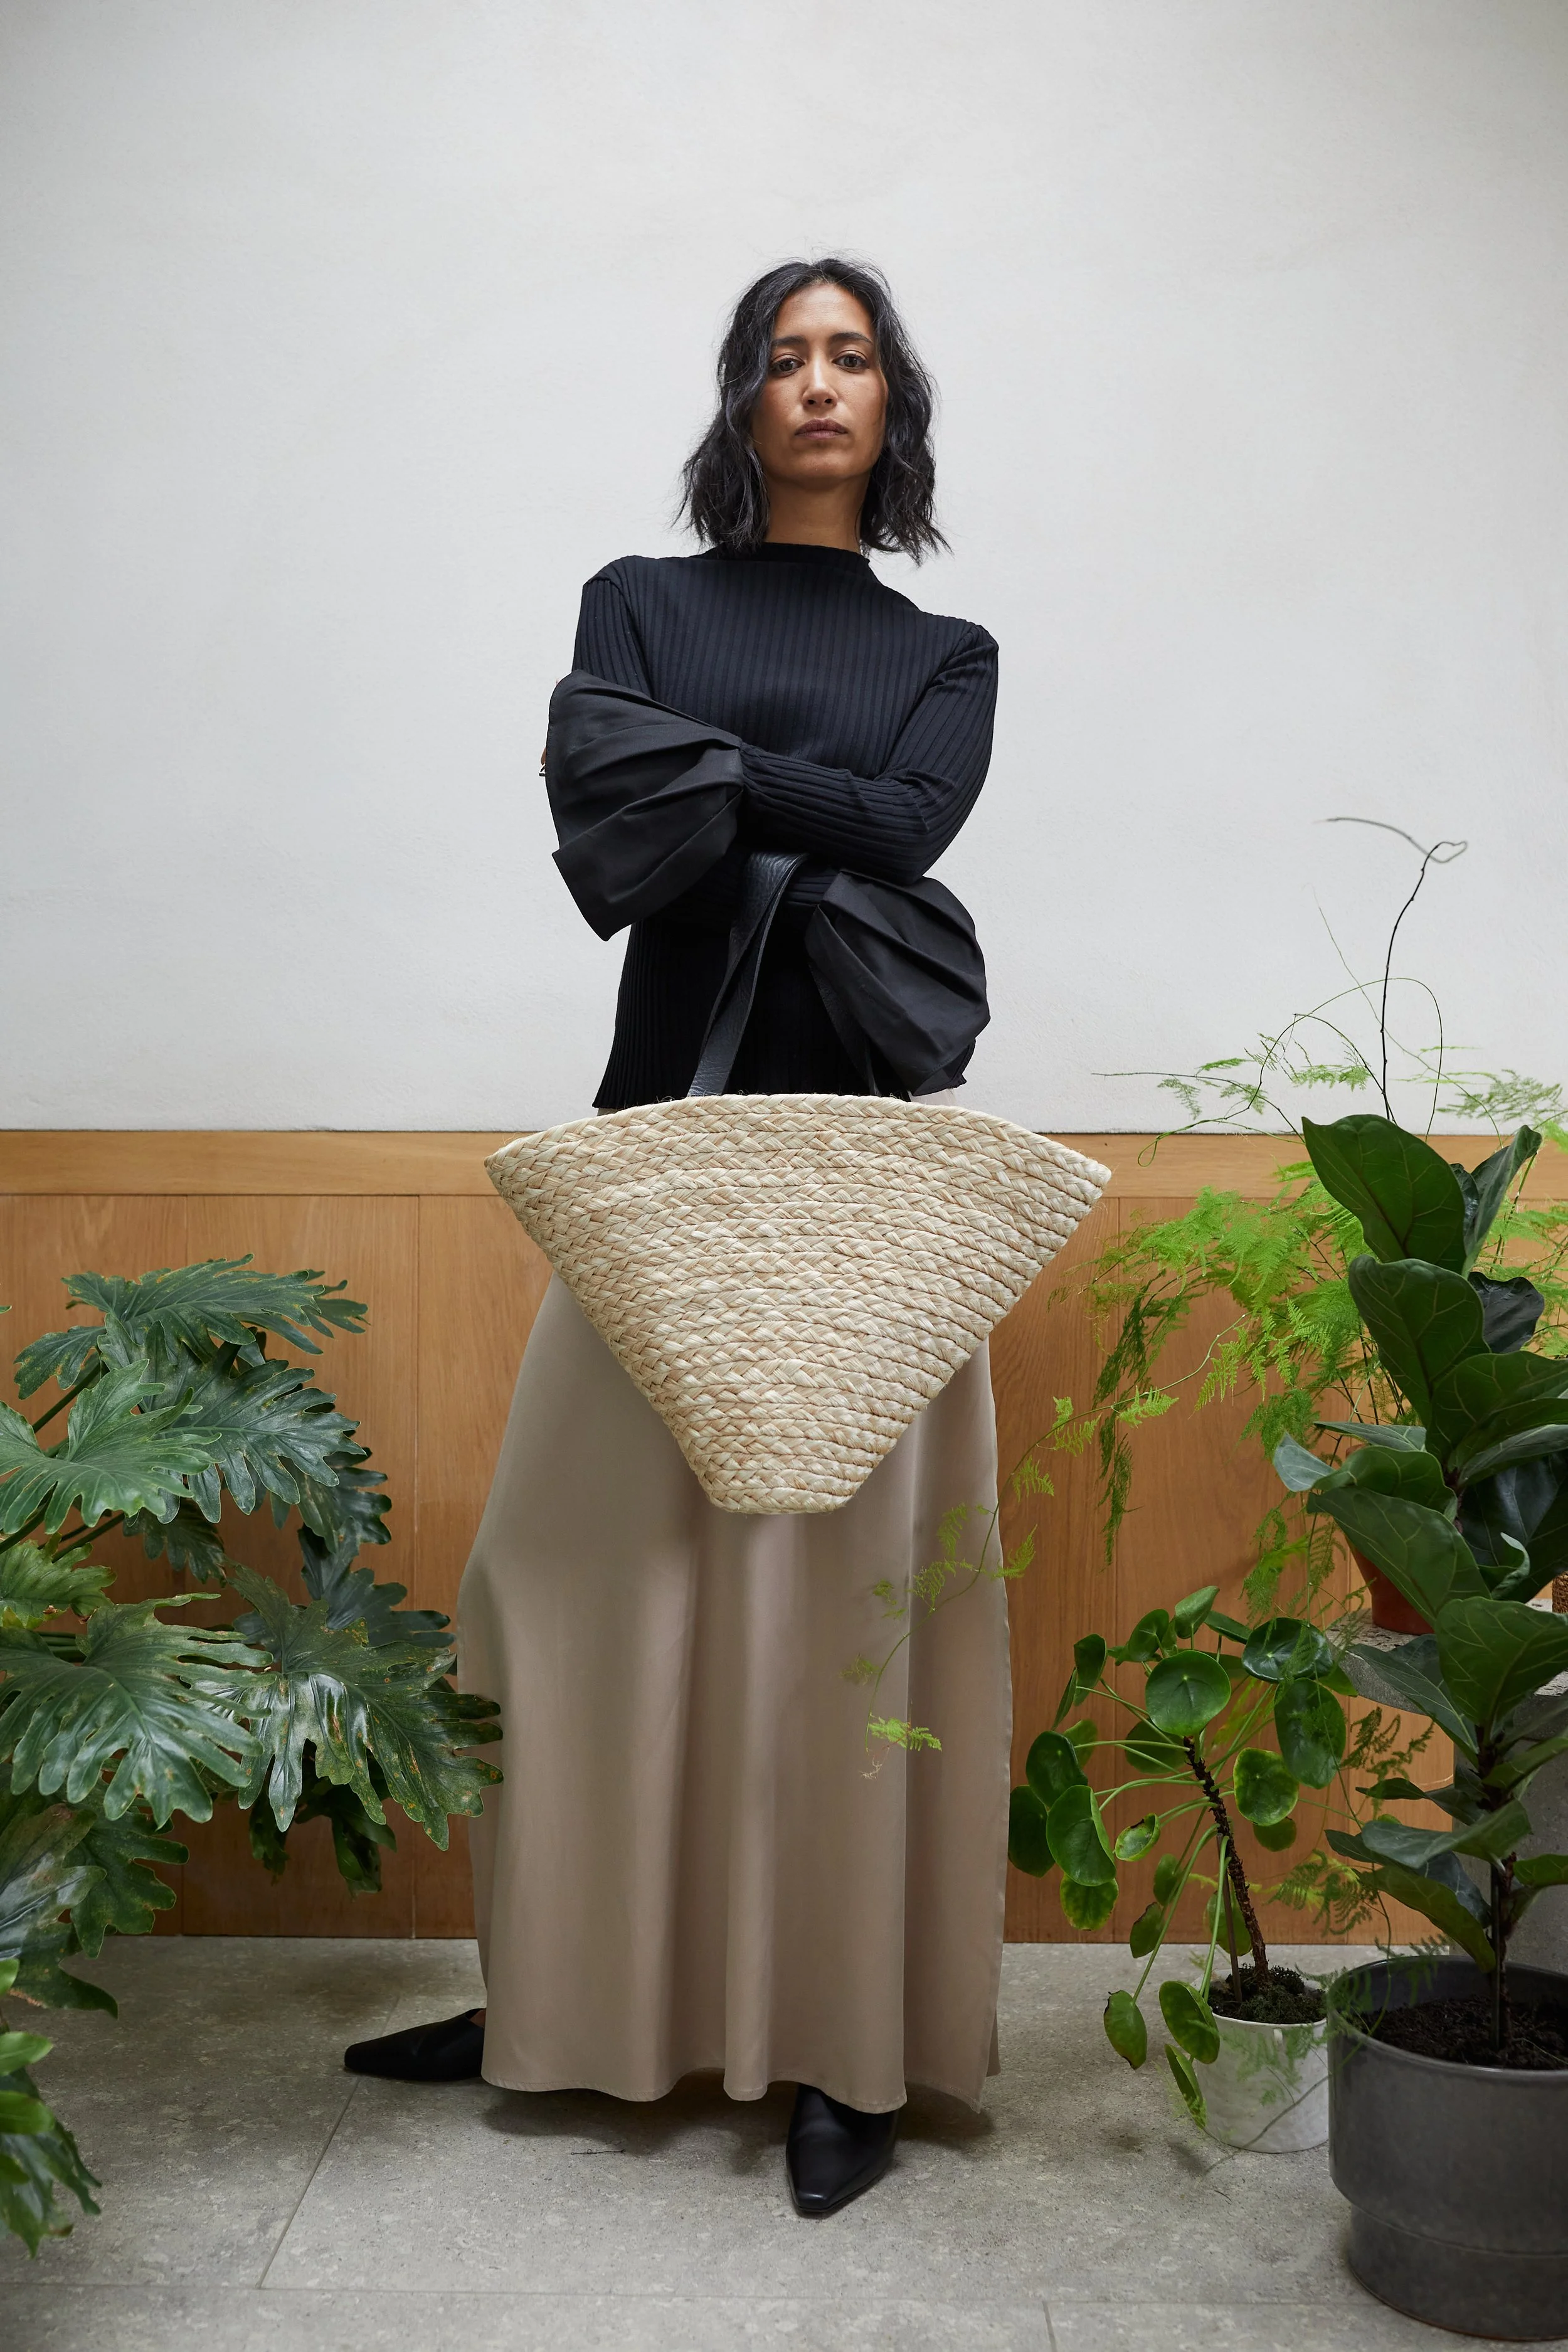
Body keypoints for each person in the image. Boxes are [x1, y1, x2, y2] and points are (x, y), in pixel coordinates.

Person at [346, 257, 1007, 2221]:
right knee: (564, 1584)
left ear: (891, 404)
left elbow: (908, 830)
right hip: (659, 1146)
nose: (817, 383)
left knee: (837, 1622)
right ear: (740, 399)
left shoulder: (946, 648)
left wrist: (720, 778)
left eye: (851, 356)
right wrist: (804, 807)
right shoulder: (634, 601)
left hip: (869, 1177)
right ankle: (557, 1992)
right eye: (784, 357)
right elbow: (617, 818)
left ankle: (841, 2046)